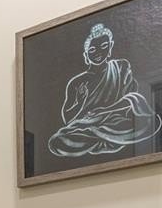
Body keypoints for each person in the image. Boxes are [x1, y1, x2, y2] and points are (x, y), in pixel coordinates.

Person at [48, 22, 161, 157]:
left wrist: (105, 110)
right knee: (57, 141)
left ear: (110, 46)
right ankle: (103, 140)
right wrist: (81, 103)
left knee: (149, 120)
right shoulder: (77, 82)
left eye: (104, 46)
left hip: (116, 121)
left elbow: (131, 99)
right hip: (87, 126)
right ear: (86, 55)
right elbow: (68, 120)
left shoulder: (121, 67)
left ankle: (102, 139)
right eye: (92, 50)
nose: (98, 52)